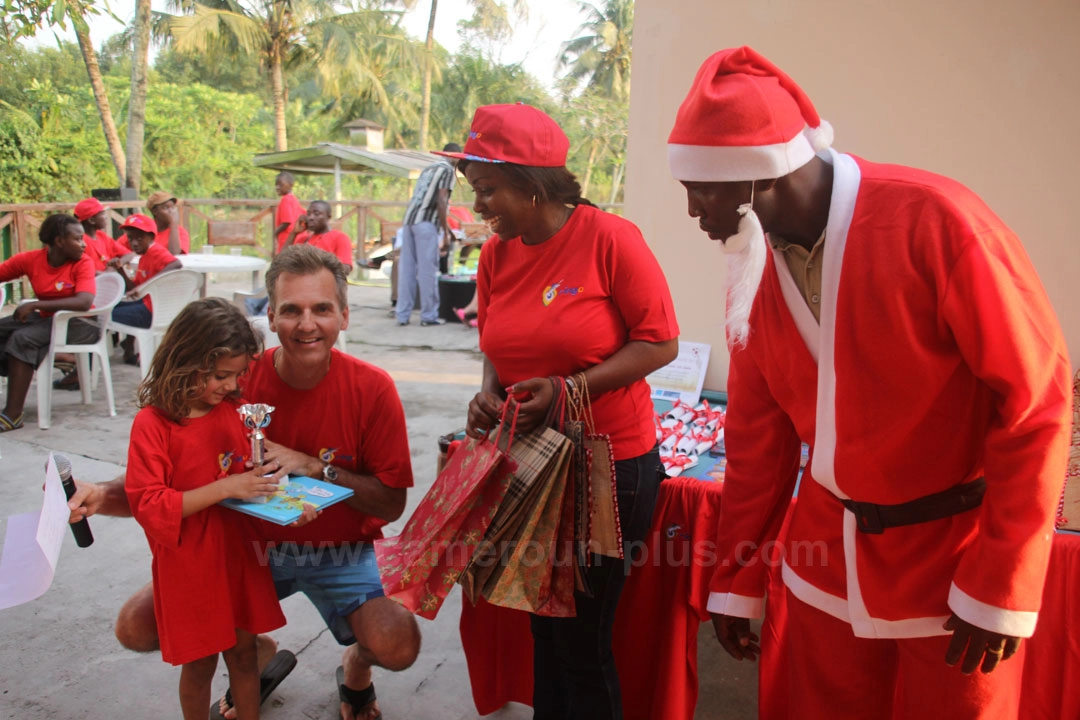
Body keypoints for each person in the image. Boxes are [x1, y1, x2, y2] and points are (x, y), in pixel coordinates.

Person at [666, 46, 1073, 719]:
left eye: (700, 187)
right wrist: (737, 578)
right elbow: (757, 441)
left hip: (952, 565)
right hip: (825, 561)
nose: (692, 211)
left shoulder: (938, 223)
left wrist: (1001, 584)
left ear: (755, 176)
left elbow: (1035, 406)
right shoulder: (752, 262)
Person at [67, 245, 420, 720]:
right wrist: (101, 495)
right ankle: (252, 649)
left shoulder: (373, 389)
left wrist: (315, 468)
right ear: (270, 317)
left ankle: (356, 667)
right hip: (245, 547)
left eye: (321, 309)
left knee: (396, 645)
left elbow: (393, 503)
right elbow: (175, 468)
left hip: (340, 549)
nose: (306, 324)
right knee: (136, 628)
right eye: (291, 310)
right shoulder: (232, 377)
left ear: (344, 316)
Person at [446, 103, 680, 720]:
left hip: (607, 467)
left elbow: (660, 342)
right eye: (476, 191)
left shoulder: (611, 239)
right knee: (541, 630)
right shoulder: (496, 255)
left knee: (581, 641)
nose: (481, 207)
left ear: (533, 184)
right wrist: (489, 394)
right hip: (528, 463)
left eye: (489, 190)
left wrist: (569, 389)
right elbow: (497, 345)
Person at [126, 296, 286, 719]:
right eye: (220, 376)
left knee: (245, 655)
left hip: (236, 557)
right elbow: (149, 502)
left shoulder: (234, 411)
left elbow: (241, 468)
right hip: (190, 567)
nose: (232, 387)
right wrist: (227, 486)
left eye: (237, 376)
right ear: (186, 360)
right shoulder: (154, 424)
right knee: (199, 664)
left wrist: (267, 479)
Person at [0, 213, 97, 432]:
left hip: (79, 324)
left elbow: (84, 302)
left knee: (22, 339)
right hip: (47, 320)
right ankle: (48, 359)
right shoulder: (32, 260)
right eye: (77, 239)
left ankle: (13, 414)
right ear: (59, 241)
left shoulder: (83, 263)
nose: (83, 244)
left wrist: (35, 305)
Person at [395, 142, 461, 326]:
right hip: (426, 223)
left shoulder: (428, 169)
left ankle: (403, 315)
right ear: (453, 155)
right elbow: (441, 200)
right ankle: (428, 315)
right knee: (428, 271)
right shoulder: (447, 170)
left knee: (407, 270)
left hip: (409, 221)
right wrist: (445, 232)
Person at [109, 213, 182, 366]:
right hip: (146, 306)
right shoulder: (143, 258)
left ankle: (125, 347)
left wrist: (148, 285)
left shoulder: (157, 252)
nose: (134, 243)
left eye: (139, 238)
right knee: (111, 306)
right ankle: (128, 348)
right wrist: (120, 270)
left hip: (153, 311)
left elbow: (176, 264)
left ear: (151, 237)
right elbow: (134, 289)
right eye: (130, 238)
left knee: (104, 315)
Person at [283, 200, 353, 271]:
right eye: (308, 214)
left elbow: (346, 268)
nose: (311, 218)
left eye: (316, 214)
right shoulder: (303, 240)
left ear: (328, 217)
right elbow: (282, 261)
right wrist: (294, 233)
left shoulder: (340, 237)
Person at [73, 197, 133, 272]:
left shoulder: (101, 235)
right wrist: (108, 272)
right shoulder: (81, 242)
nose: (106, 217)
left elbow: (129, 254)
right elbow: (85, 271)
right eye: (103, 213)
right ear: (91, 220)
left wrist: (116, 264)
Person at [273, 172, 304, 254]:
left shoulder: (285, 199)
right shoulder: (294, 199)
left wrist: (276, 232)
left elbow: (286, 222)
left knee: (283, 260)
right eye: (276, 185)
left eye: (280, 185)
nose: (277, 187)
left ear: (291, 185)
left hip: (286, 238)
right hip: (294, 238)